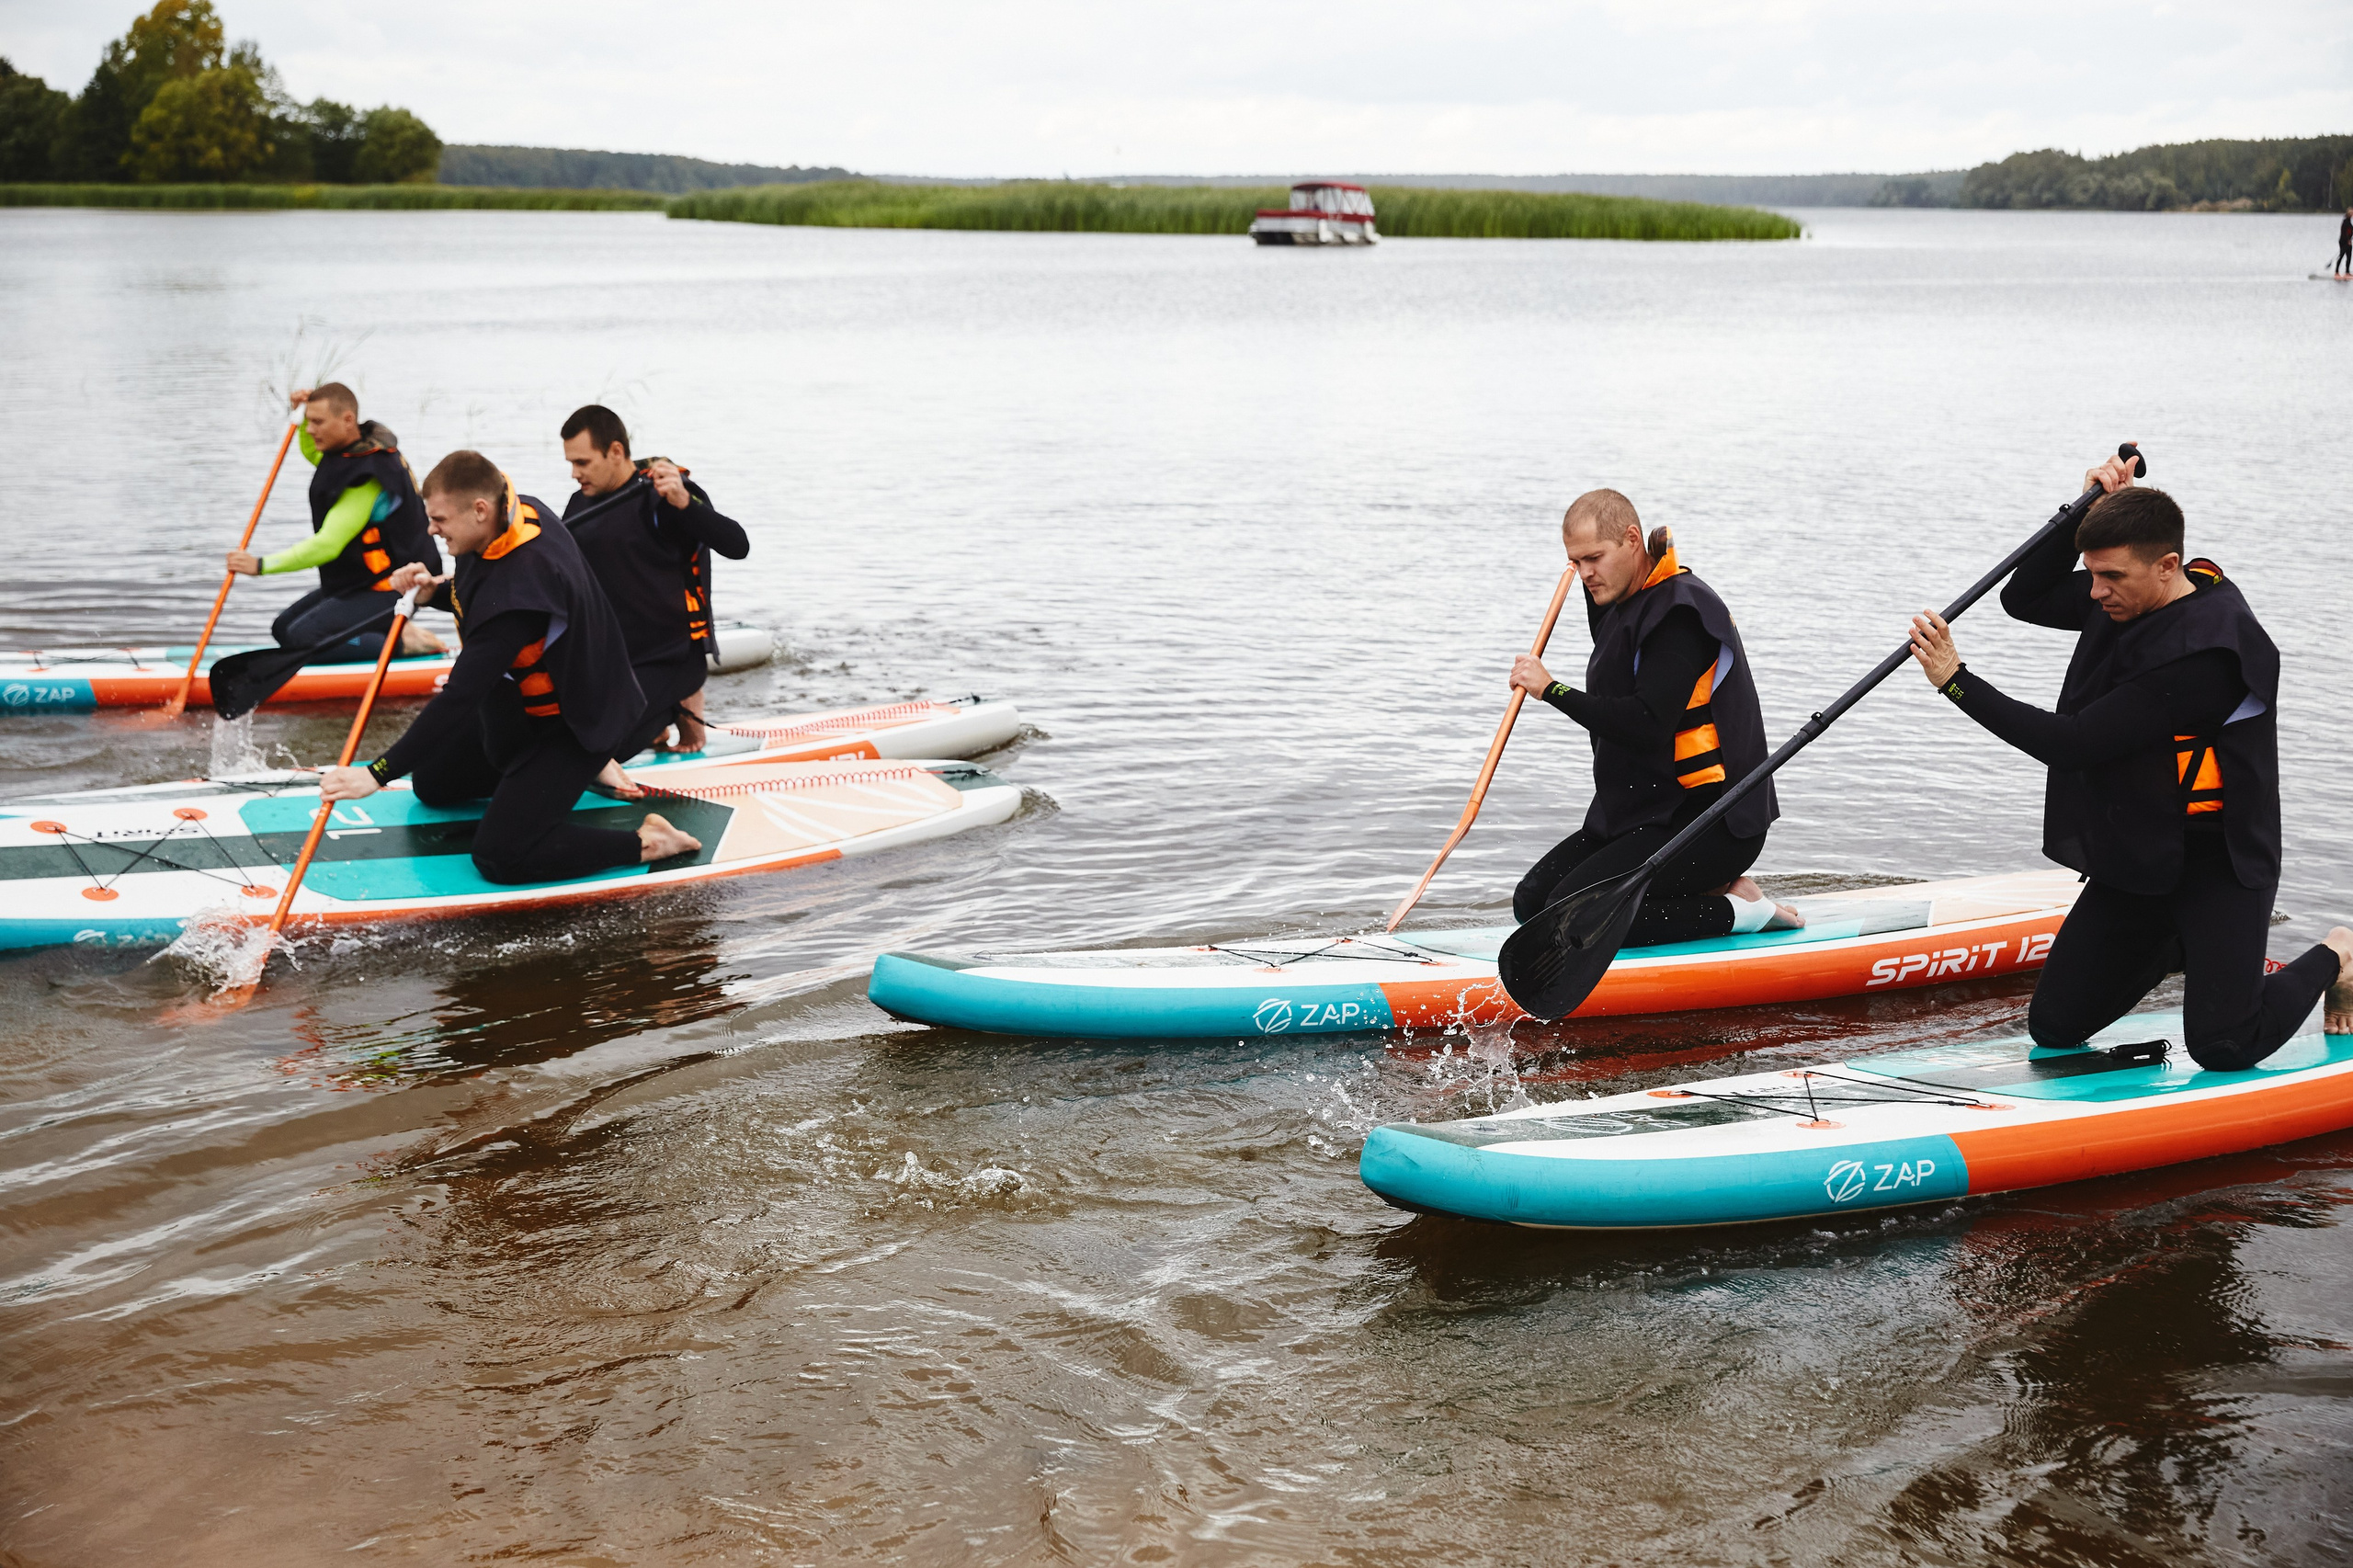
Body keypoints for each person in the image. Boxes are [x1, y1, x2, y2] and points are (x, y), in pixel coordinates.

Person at [1907, 448, 2353, 1062]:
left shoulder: (2207, 655)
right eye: (2091, 573)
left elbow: (2076, 743)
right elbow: (2026, 598)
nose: (2095, 592)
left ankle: (2336, 956)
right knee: (2056, 1028)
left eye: (2110, 576)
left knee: (2225, 1044)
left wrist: (1956, 679)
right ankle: (2186, 948)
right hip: (2141, 851)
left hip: (2217, 858)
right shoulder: (2131, 593)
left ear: (2167, 566)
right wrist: (2080, 511)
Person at [316, 450, 700, 883]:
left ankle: (651, 841)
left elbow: (460, 696)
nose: (430, 529)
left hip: (576, 724)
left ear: (479, 510)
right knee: (433, 785)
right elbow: (476, 587)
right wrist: (431, 593)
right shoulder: (518, 510)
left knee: (501, 856)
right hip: (523, 712)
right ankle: (555, 781)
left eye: (440, 519)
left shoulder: (518, 593)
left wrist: (376, 774)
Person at [1507, 488, 1799, 943]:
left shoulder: (1681, 613)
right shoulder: (1619, 601)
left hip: (1712, 820)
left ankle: (1741, 911)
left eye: (1594, 558)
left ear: (1630, 539)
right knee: (1531, 903)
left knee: (1575, 917)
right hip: (1645, 814)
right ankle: (1706, 893)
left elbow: (1646, 725)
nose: (1584, 574)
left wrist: (1552, 690)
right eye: (1574, 562)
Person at [558, 405, 750, 795]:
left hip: (670, 655)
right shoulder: (579, 503)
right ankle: (660, 717)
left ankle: (681, 707)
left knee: (601, 753)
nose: (575, 473)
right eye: (570, 463)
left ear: (615, 451)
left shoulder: (663, 493)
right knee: (563, 738)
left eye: (582, 462)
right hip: (614, 660)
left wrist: (684, 503)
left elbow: (737, 545)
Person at [226, 384, 445, 662]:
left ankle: (402, 641)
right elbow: (317, 456)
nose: (309, 429)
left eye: (317, 422)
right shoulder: (352, 450)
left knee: (302, 637)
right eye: (308, 422)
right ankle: (378, 635)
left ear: (348, 420)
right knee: (283, 630)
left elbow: (328, 545)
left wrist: (260, 565)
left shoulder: (368, 477)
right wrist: (302, 413)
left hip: (393, 587)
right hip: (362, 582)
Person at [2337, 207, 2351, 279]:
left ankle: (2347, 272)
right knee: (2341, 256)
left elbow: (2350, 232)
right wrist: (2347, 240)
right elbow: (2344, 232)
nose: (2352, 214)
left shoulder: (2349, 222)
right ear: (2348, 213)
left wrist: (2349, 240)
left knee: (2349, 257)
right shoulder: (2345, 222)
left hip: (2348, 242)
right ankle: (2336, 272)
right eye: (2351, 213)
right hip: (2343, 242)